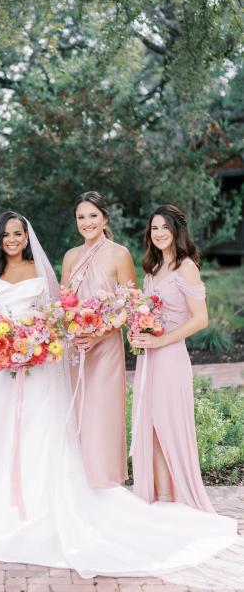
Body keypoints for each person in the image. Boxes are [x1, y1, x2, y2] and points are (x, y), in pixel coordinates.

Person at [0, 211, 237, 582]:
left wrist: (36, 339)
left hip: (37, 362)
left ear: (27, 238)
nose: (12, 239)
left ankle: (39, 499)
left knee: (39, 431)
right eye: (6, 234)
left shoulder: (41, 268)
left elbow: (54, 313)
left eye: (18, 233)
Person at [130, 204, 214, 512]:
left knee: (169, 425)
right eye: (154, 228)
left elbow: (201, 318)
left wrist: (161, 339)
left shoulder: (185, 266)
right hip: (149, 358)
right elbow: (151, 313)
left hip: (170, 357)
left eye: (165, 227)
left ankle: (179, 499)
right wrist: (138, 331)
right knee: (151, 427)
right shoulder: (153, 269)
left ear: (177, 231)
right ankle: (161, 499)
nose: (159, 233)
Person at [61, 191, 136, 487]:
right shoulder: (70, 256)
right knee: (78, 411)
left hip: (105, 349)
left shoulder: (120, 254)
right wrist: (74, 330)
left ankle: (106, 484)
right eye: (81, 217)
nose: (87, 222)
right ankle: (80, 483)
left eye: (93, 215)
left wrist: (98, 334)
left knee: (103, 414)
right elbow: (64, 303)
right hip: (76, 347)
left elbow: (131, 305)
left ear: (105, 217)